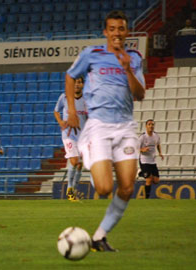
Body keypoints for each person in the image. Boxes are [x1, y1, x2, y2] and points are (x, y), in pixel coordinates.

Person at [66, 10, 146, 252]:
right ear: (105, 32)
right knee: (103, 188)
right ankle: (92, 155)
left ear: (127, 32)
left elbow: (140, 94)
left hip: (125, 126)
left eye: (121, 29)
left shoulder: (134, 57)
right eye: (112, 29)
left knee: (128, 187)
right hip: (99, 125)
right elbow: (70, 77)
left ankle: (99, 237)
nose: (117, 33)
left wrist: (128, 69)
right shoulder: (92, 54)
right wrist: (71, 110)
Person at [53, 76, 87, 201]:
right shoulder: (65, 97)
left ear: (83, 85)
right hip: (68, 135)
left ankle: (73, 189)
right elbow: (56, 111)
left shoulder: (87, 100)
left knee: (79, 165)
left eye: (79, 82)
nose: (77, 85)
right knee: (74, 161)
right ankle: (69, 190)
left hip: (82, 136)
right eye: (75, 83)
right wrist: (60, 122)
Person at [138, 119, 164, 199]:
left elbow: (158, 144)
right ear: (146, 126)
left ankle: (140, 173)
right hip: (144, 160)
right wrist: (142, 150)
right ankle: (147, 199)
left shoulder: (156, 136)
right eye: (149, 124)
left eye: (152, 124)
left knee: (156, 181)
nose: (151, 126)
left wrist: (160, 153)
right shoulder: (142, 137)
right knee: (148, 179)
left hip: (152, 161)